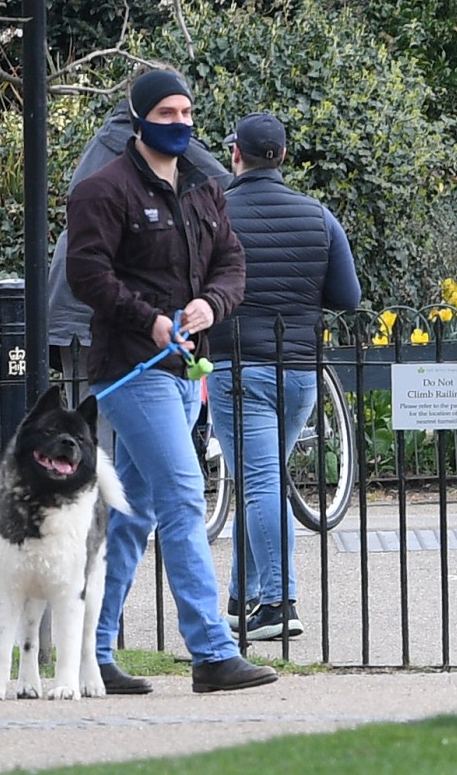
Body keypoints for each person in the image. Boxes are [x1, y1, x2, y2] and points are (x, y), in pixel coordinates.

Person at [65, 67, 278, 694]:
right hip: (132, 370)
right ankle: (211, 651)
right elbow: (87, 276)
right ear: (138, 118)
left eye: (187, 112)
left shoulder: (207, 189)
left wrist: (213, 303)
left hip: (187, 370)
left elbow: (232, 263)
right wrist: (150, 320)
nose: (180, 123)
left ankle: (92, 651)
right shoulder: (102, 192)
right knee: (186, 495)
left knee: (135, 511)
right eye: (166, 114)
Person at [207, 113, 361, 640]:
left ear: (235, 155)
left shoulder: (215, 213)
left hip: (237, 367)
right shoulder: (318, 217)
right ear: (284, 157)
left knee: (258, 482)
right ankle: (240, 599)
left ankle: (278, 603)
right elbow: (347, 297)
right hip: (299, 373)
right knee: (263, 479)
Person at [47, 96, 232, 448]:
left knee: (92, 433)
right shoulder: (164, 148)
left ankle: (101, 501)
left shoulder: (101, 141)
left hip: (70, 312)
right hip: (129, 319)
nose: (179, 119)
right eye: (171, 108)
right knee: (146, 450)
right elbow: (226, 189)